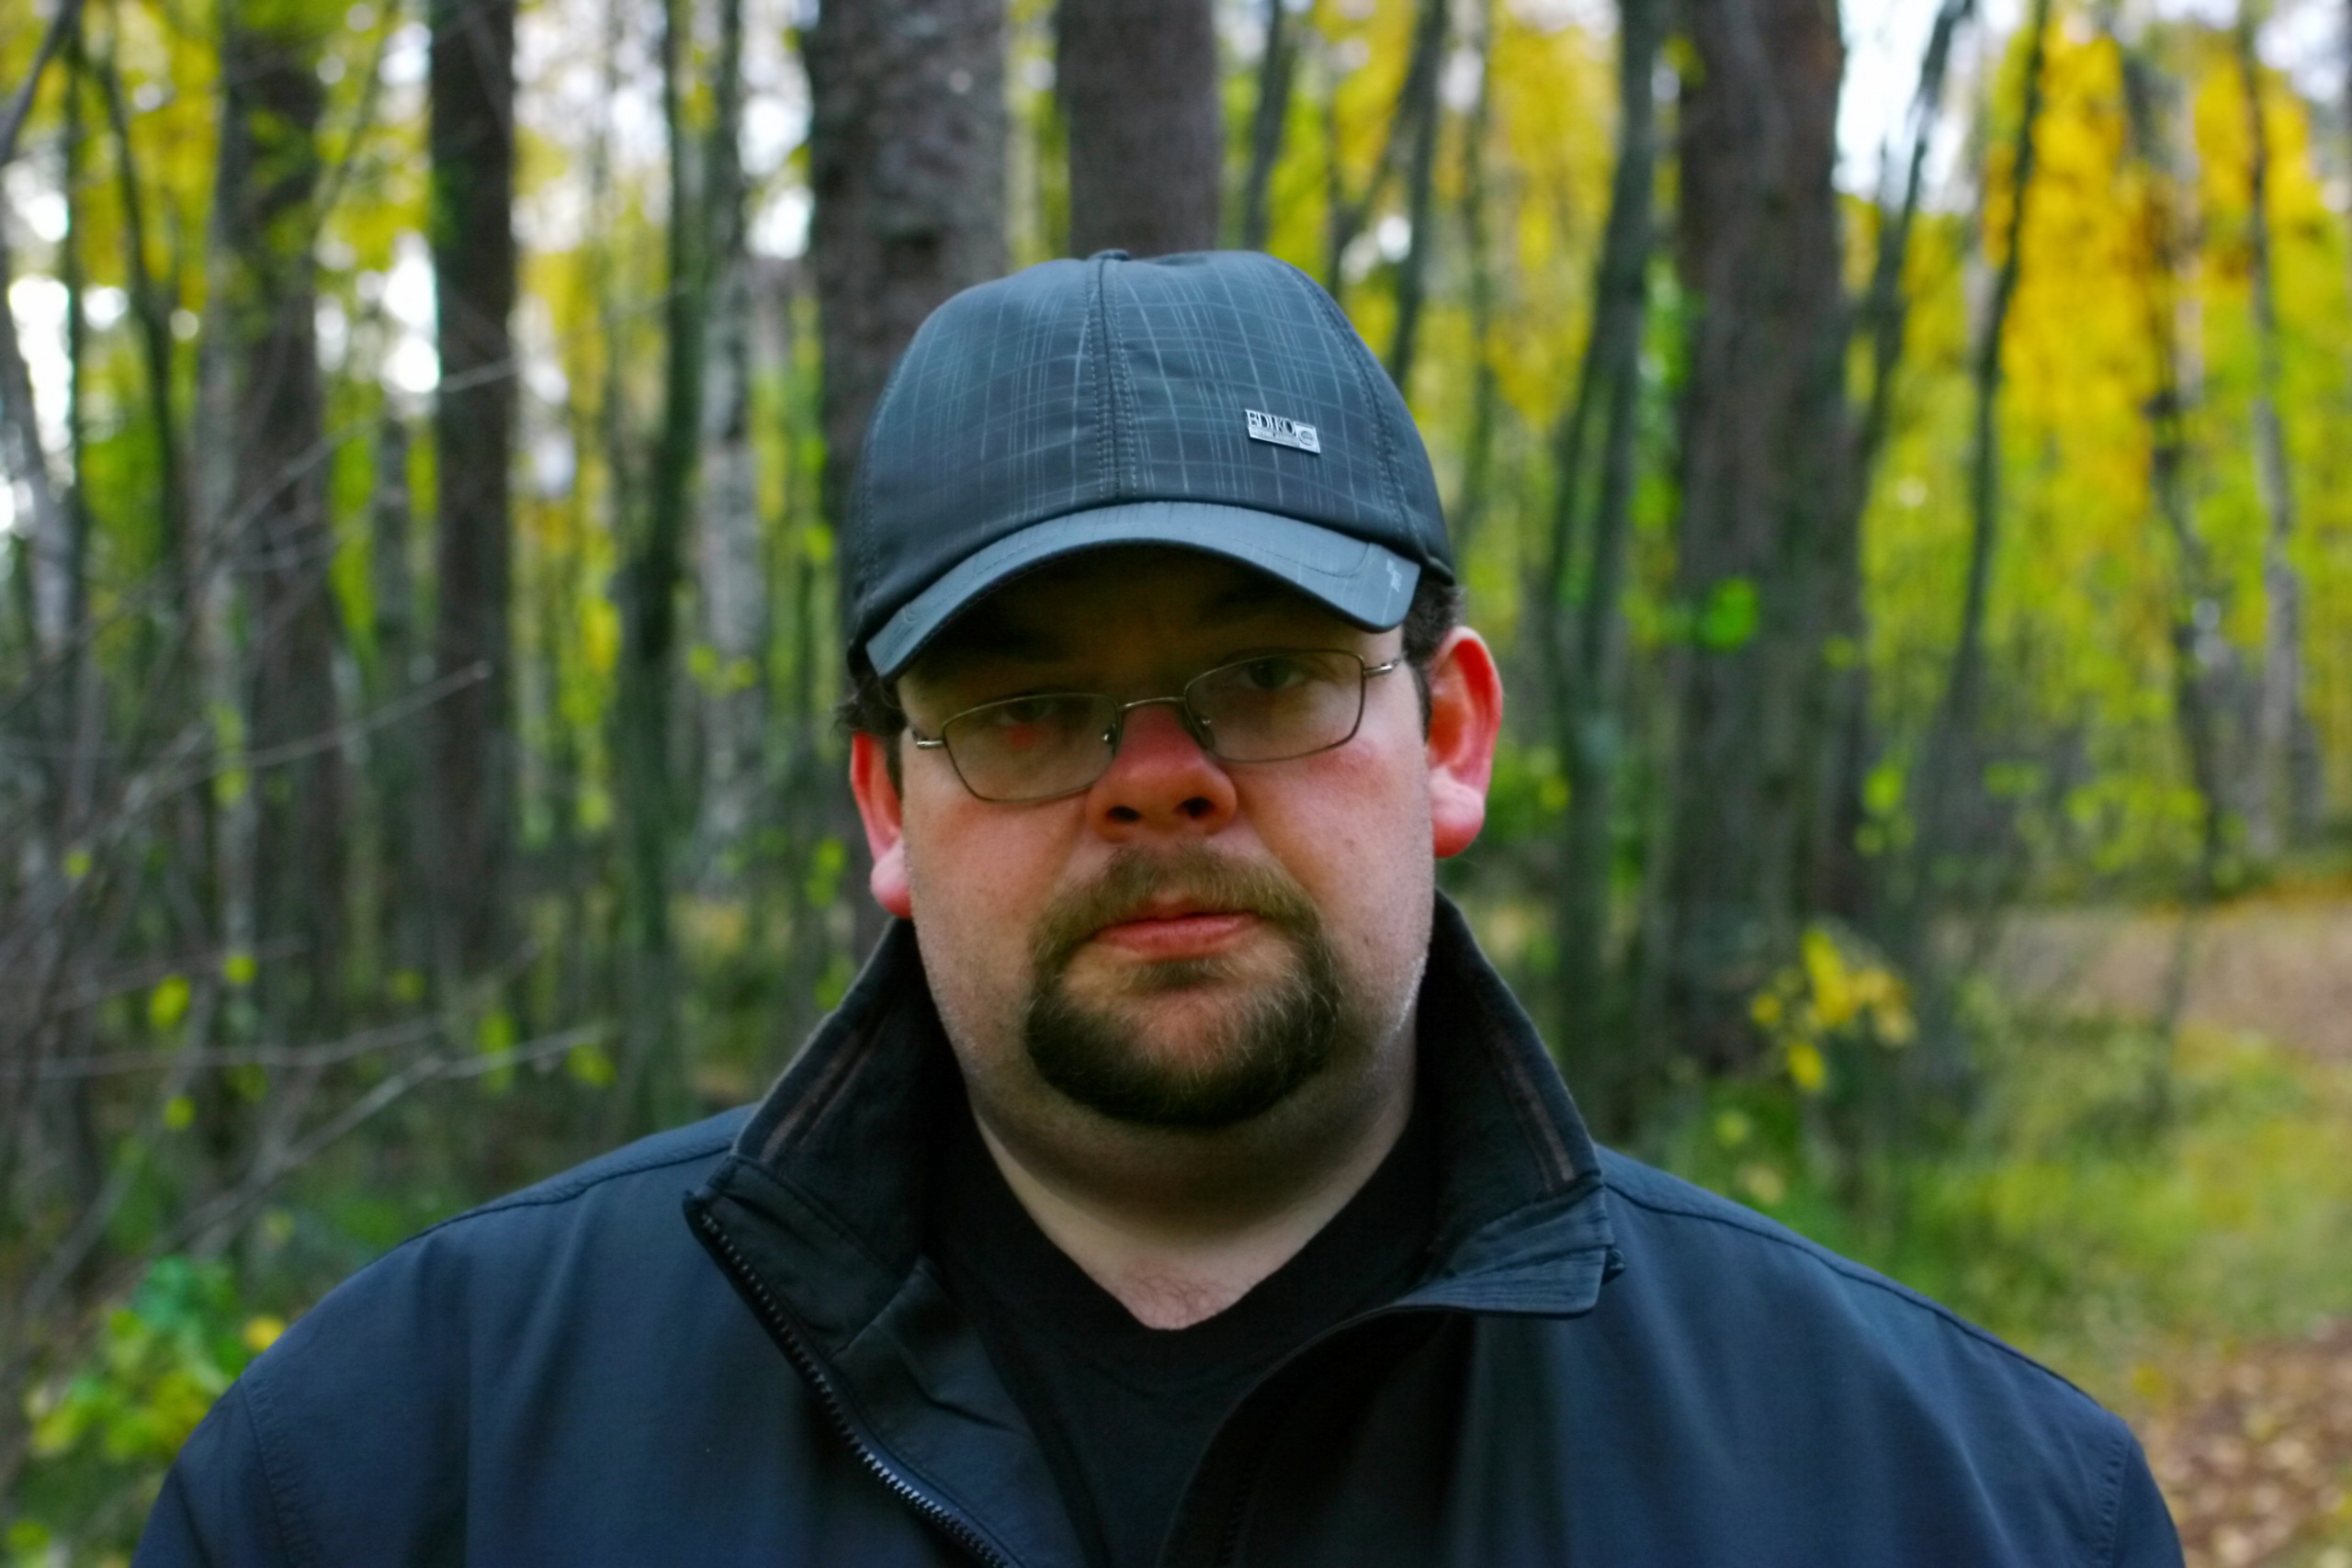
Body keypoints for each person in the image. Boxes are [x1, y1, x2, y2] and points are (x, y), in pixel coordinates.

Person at [137, 250, 2181, 1567]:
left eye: (1268, 675)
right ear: (887, 800)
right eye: (1027, 707)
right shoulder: (399, 1472)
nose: (1158, 775)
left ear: (1449, 734)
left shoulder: (1955, 1503)